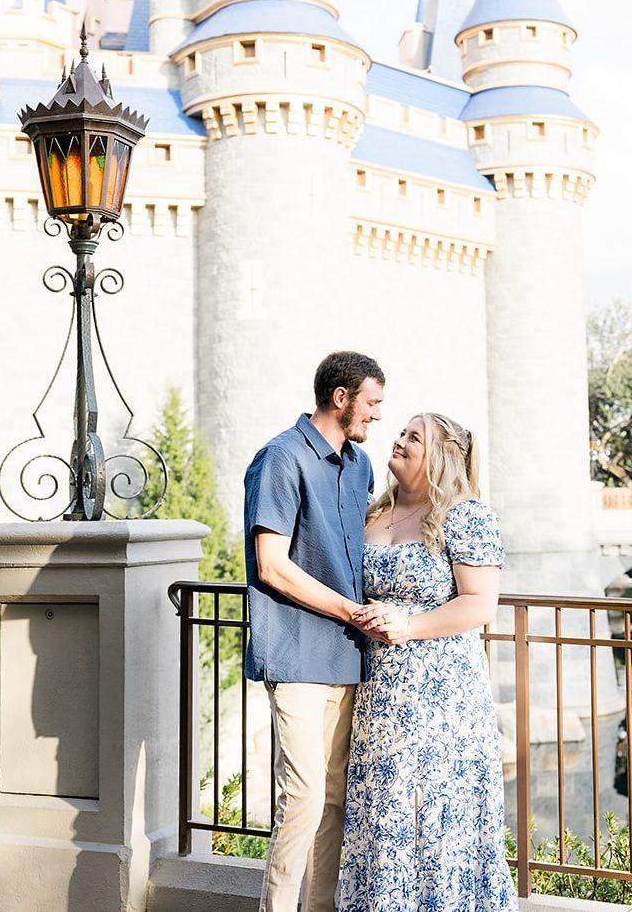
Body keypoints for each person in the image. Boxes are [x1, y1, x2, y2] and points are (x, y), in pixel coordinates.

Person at [336, 412, 517, 911]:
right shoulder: (373, 512)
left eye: (413, 437)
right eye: (401, 432)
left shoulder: (466, 516)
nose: (398, 440)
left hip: (444, 700)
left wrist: (408, 625)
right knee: (384, 813)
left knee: (438, 818)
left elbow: (479, 604)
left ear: (440, 457)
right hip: (379, 695)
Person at [243, 350, 386, 912]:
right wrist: (351, 612)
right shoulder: (280, 458)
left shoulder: (361, 466)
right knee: (302, 798)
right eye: (372, 403)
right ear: (340, 397)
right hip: (297, 653)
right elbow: (272, 566)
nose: (377, 415)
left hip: (348, 657)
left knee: (332, 800)